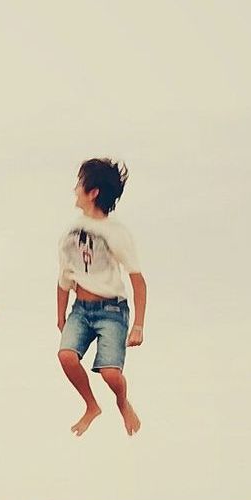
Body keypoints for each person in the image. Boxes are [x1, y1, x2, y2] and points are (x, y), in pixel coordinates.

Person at [56, 157, 146, 437]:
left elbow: (137, 279)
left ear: (93, 192)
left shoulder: (116, 232)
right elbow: (64, 277)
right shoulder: (71, 231)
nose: (74, 190)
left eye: (79, 185)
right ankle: (91, 405)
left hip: (112, 311)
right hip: (80, 309)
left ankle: (122, 402)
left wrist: (138, 325)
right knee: (66, 356)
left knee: (110, 373)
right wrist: (60, 315)